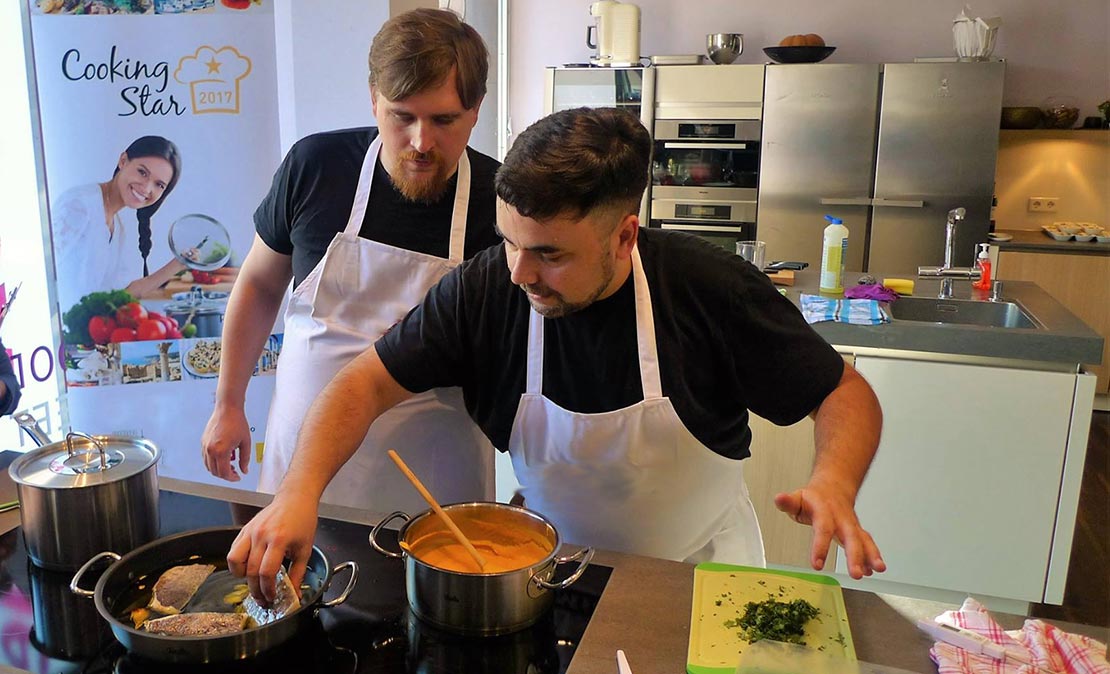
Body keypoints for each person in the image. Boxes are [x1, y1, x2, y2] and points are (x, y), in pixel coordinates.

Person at [229, 107, 886, 605]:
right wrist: (299, 491)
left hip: (699, 575)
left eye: (551, 254)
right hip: (551, 577)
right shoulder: (488, 287)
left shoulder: (706, 289)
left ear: (625, 236)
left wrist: (834, 481)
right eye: (513, 242)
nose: (521, 272)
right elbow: (362, 385)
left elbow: (842, 393)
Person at [200, 8, 501, 514]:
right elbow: (258, 284)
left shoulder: (503, 203)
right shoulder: (315, 166)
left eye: (444, 120)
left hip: (438, 480)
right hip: (302, 471)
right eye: (402, 116)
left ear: (475, 110)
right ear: (373, 99)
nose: (421, 142)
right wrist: (229, 402)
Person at [51, 135, 184, 312]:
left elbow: (120, 297)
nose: (146, 188)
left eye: (159, 185)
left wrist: (179, 263)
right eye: (142, 172)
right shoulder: (79, 205)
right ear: (123, 161)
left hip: (88, 333)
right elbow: (49, 281)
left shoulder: (118, 228)